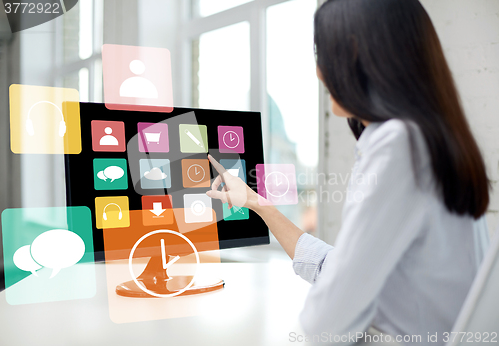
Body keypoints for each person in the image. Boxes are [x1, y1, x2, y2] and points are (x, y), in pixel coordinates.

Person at [206, 0, 491, 344]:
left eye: (323, 53)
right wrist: (256, 202)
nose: (318, 71)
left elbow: (326, 322)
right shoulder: (432, 137)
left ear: (360, 56)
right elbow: (341, 269)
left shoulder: (398, 146)